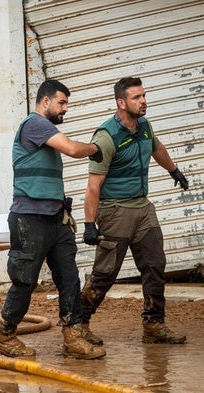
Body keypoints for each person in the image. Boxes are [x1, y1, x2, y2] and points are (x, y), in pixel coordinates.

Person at [0, 79, 106, 360]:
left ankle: (73, 336)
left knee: (69, 278)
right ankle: (4, 336)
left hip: (56, 218)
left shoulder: (46, 133)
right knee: (24, 281)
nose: (64, 109)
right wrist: (96, 147)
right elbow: (72, 149)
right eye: (61, 103)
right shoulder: (35, 125)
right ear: (45, 102)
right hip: (29, 219)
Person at [81, 77, 188, 345]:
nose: (143, 101)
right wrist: (89, 224)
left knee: (154, 265)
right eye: (136, 97)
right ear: (121, 102)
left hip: (143, 208)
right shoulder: (106, 137)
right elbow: (93, 186)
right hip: (115, 210)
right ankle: (77, 324)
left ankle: (154, 325)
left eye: (143, 96)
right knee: (105, 274)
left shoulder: (144, 126)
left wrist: (173, 170)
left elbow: (157, 148)